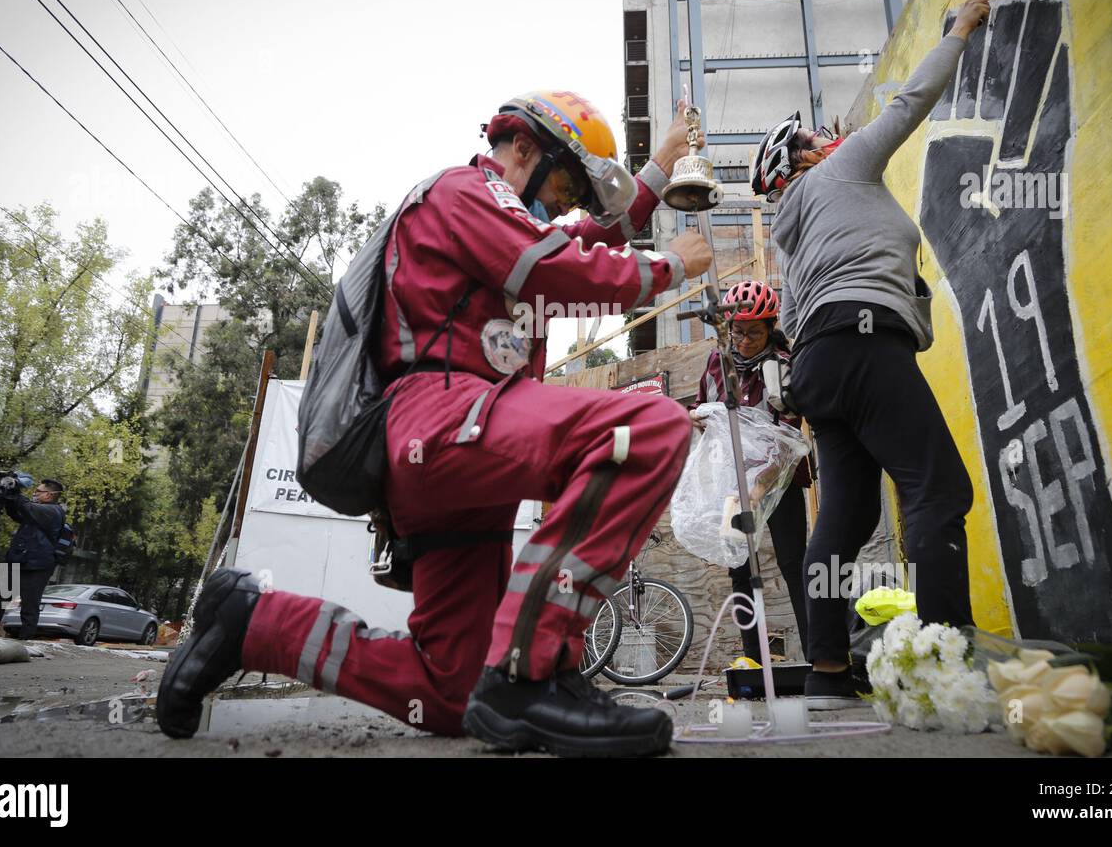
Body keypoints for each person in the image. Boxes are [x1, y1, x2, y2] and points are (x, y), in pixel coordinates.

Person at [157, 90, 713, 756]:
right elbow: (552, 267)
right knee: (648, 426)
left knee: (452, 696)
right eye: (565, 181)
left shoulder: (503, 215)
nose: (567, 203)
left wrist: (661, 167)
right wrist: (670, 267)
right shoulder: (463, 191)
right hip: (445, 415)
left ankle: (250, 622)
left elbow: (581, 239)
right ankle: (533, 671)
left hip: (453, 457)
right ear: (525, 149)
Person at [756, 0, 991, 709]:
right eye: (815, 142)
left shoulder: (792, 243)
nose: (830, 141)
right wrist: (959, 28)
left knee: (846, 520)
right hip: (866, 346)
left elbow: (792, 325)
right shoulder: (841, 170)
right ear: (804, 159)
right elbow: (910, 102)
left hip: (819, 369)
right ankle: (946, 662)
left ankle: (827, 670)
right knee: (937, 488)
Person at [690, 278, 812, 664]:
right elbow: (703, 409)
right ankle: (753, 659)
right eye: (738, 332)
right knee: (740, 569)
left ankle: (818, 655)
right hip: (733, 483)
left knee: (796, 564)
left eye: (754, 333)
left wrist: (760, 489)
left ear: (771, 328)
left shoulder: (785, 368)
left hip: (779, 481)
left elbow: (788, 438)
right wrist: (699, 420)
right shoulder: (717, 362)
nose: (743, 341)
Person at [2, 478, 66, 640]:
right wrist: (8, 497)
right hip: (18, 560)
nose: (35, 493)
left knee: (29, 604)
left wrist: (15, 490)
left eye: (38, 491)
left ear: (49, 495)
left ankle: (25, 640)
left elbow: (26, 506)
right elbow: (16, 513)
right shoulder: (36, 511)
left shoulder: (53, 511)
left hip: (38, 565)